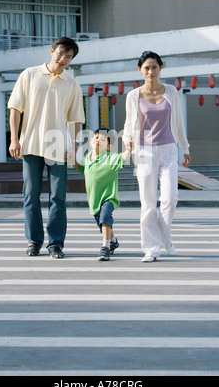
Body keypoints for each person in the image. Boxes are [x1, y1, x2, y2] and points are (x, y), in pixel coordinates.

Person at [8, 37, 85, 259]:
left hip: (58, 147)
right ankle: (34, 241)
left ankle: (56, 244)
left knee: (58, 197)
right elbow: (15, 108)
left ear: (71, 60)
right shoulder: (29, 75)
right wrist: (14, 139)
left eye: (68, 57)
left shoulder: (71, 84)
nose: (63, 59)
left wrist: (75, 146)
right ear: (51, 51)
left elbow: (76, 120)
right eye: (60, 53)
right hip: (31, 145)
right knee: (31, 195)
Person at [123, 51, 191, 263]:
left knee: (170, 199)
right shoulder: (133, 95)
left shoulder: (171, 91)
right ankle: (151, 248)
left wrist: (185, 147)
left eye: (154, 67)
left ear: (161, 68)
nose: (150, 71)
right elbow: (128, 123)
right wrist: (127, 141)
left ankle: (165, 238)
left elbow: (178, 121)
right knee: (148, 203)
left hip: (169, 149)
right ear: (139, 70)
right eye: (146, 68)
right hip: (144, 151)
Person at [72, 128, 132, 261]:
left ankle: (105, 248)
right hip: (94, 199)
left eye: (103, 139)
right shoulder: (87, 158)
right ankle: (113, 240)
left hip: (108, 198)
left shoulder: (111, 158)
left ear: (109, 146)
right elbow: (80, 168)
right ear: (91, 141)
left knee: (105, 217)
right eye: (96, 138)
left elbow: (123, 157)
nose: (98, 140)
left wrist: (128, 150)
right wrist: (71, 159)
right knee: (103, 223)